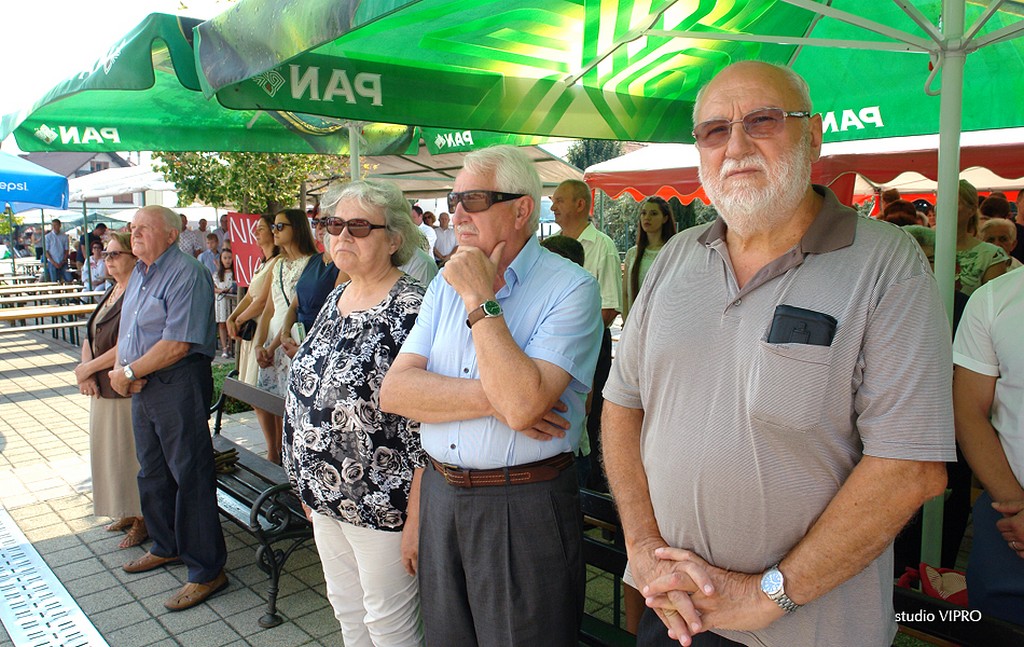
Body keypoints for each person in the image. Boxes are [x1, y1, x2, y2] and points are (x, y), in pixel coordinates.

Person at [602, 62, 953, 647]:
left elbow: (911, 467)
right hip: (676, 616)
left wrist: (765, 597)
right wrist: (642, 549)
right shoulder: (675, 258)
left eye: (762, 122)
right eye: (714, 131)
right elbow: (622, 407)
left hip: (807, 628)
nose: (736, 146)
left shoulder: (887, 264)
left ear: (813, 137)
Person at [381, 145, 603, 646]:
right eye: (453, 198)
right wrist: (503, 399)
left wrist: (482, 301)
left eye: (473, 200)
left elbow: (524, 406)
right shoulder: (444, 283)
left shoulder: (572, 288)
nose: (456, 213)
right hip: (442, 493)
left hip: (522, 500)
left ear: (522, 209)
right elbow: (395, 391)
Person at [284, 180, 426, 646]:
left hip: (384, 503)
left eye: (359, 226)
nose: (342, 235)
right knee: (347, 611)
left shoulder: (414, 309)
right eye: (333, 224)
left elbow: (431, 420)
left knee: (389, 625)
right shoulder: (336, 297)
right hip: (323, 496)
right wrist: (303, 479)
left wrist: (418, 519)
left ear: (394, 239)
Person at [110, 205, 227, 611]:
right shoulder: (140, 273)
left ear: (172, 235)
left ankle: (206, 570)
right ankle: (166, 544)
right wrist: (122, 371)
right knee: (153, 470)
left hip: (177, 381)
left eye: (144, 227)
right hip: (145, 382)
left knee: (189, 474)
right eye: (132, 227)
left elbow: (177, 343)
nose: (134, 232)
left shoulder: (186, 273)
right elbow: (132, 333)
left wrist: (127, 371)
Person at [953, 269, 1024, 624]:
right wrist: (1014, 506)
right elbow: (968, 412)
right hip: (1010, 521)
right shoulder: (994, 299)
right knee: (1000, 628)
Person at [74, 231, 147, 549]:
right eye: (106, 254)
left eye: (115, 254)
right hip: (102, 386)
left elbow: (125, 344)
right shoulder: (113, 290)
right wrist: (85, 372)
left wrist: (88, 369)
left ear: (133, 258)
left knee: (128, 453)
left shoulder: (136, 292)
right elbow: (91, 333)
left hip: (121, 386)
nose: (108, 259)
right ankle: (126, 510)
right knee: (110, 453)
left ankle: (143, 518)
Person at [551, 178, 621, 491]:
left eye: (559, 200)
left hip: (591, 342)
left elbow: (609, 309)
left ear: (581, 204)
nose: (552, 206)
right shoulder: (550, 246)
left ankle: (591, 490)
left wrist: (572, 322)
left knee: (590, 420)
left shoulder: (602, 245)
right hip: (553, 344)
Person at [254, 209, 316, 464]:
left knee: (290, 401)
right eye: (274, 227)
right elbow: (269, 308)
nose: (274, 231)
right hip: (271, 336)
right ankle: (273, 452)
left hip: (292, 338)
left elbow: (297, 307)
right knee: (266, 398)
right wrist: (259, 344)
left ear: (297, 228)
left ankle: (289, 455)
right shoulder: (277, 264)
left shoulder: (312, 263)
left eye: (281, 227)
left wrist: (271, 345)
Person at [226, 214, 281, 455]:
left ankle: (273, 449)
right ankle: (274, 448)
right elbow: (249, 295)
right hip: (253, 329)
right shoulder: (262, 262)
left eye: (261, 228)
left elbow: (261, 302)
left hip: (263, 328)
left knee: (262, 394)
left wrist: (239, 318)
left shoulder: (277, 262)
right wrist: (233, 316)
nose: (255, 233)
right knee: (255, 392)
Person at [279, 207, 346, 360]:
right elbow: (295, 304)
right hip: (298, 340)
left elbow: (335, 317)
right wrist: (285, 334)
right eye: (316, 222)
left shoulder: (343, 266)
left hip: (320, 350)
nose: (320, 227)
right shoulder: (313, 260)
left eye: (325, 222)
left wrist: (306, 351)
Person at [622, 197, 677, 321]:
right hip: (635, 323)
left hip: (662, 322)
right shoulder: (632, 253)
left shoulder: (673, 251)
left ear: (665, 218)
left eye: (653, 213)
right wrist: (626, 321)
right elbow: (625, 293)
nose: (647, 217)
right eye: (643, 213)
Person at [957, 180, 1008, 295]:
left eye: (954, 202)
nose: (944, 207)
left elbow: (993, 301)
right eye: (939, 202)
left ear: (971, 210)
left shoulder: (990, 255)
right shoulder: (922, 247)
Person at [213, 249, 236, 358]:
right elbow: (214, 287)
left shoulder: (235, 274)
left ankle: (231, 346)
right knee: (222, 324)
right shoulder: (217, 274)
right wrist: (221, 291)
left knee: (230, 323)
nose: (227, 261)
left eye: (229, 258)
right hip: (221, 301)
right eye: (225, 258)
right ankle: (224, 347)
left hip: (231, 302)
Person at [44, 218, 71, 282]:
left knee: (69, 279)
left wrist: (63, 260)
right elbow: (46, 251)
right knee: (54, 281)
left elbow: (66, 250)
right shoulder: (47, 237)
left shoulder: (64, 236)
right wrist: (53, 262)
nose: (54, 227)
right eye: (53, 225)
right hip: (52, 262)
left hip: (62, 261)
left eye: (56, 225)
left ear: (59, 226)